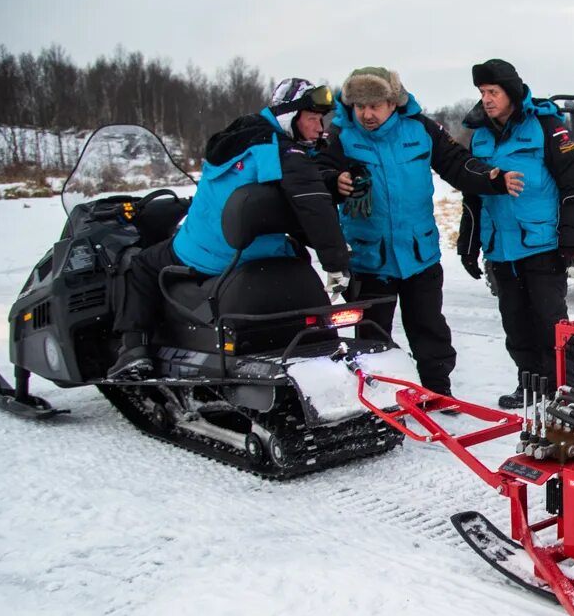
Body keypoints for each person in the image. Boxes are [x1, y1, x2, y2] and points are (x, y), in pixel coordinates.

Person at [109, 78, 349, 380]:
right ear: (290, 117)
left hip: (208, 248)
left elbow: (299, 195)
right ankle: (136, 354)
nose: (319, 128)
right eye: (312, 119)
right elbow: (311, 203)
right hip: (243, 252)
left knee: (141, 262)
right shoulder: (283, 151)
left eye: (321, 119)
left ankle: (134, 346)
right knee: (293, 253)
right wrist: (337, 262)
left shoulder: (237, 138)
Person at [323, 66, 522, 397]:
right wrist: (333, 181)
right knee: (371, 337)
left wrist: (492, 178)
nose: (367, 114)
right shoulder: (340, 136)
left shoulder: (419, 129)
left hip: (419, 253)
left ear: (393, 102)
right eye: (360, 106)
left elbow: (456, 163)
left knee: (429, 329)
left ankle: (437, 392)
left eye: (374, 105)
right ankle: (376, 400)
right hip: (370, 259)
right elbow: (318, 174)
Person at [456, 59, 574, 409]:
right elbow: (473, 197)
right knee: (515, 324)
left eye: (493, 92)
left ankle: (563, 391)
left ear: (511, 93)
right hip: (501, 248)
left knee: (550, 322)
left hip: (542, 244)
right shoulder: (481, 136)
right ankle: (529, 384)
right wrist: (469, 245)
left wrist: (571, 238)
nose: (486, 99)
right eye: (482, 92)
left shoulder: (546, 127)